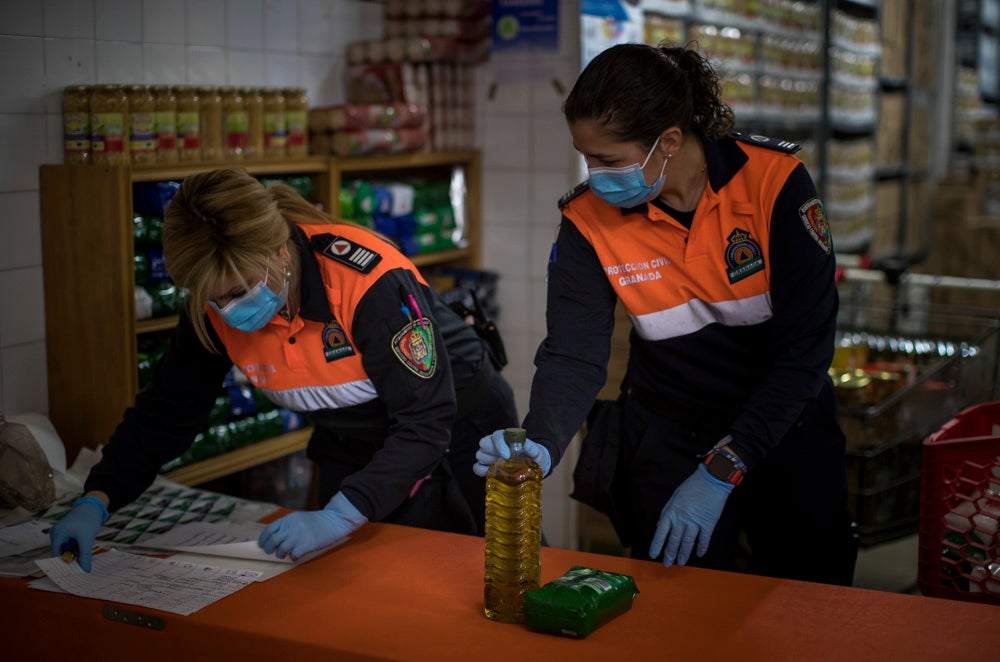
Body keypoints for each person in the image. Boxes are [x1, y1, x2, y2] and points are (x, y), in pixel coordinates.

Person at [474, 42, 857, 585]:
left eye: (608, 159)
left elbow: (805, 351)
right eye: (587, 158)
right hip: (667, 429)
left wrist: (725, 467)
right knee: (673, 607)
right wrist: (542, 441)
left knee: (808, 599)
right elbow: (574, 352)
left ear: (669, 143)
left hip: (782, 420)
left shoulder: (773, 183)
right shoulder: (588, 220)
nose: (596, 174)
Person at [50, 167, 518, 570]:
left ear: (279, 252)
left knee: (473, 571)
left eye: (240, 290)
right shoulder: (211, 308)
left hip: (457, 426)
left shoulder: (365, 282)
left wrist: (339, 516)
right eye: (213, 297)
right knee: (352, 587)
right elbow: (167, 412)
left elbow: (426, 421)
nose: (228, 310)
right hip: (353, 436)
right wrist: (99, 498)